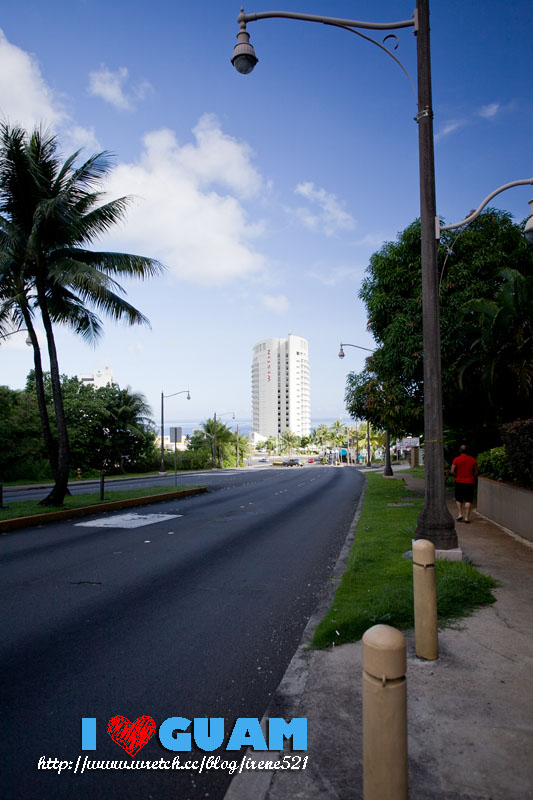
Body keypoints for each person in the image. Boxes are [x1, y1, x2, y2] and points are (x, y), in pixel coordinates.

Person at [450, 444, 478, 523]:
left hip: (459, 481)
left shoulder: (456, 459)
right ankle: (466, 517)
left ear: (460, 451)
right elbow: (476, 472)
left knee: (459, 498)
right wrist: (472, 476)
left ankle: (460, 514)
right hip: (470, 482)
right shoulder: (473, 460)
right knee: (468, 499)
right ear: (467, 451)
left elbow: (452, 471)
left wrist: (457, 475)